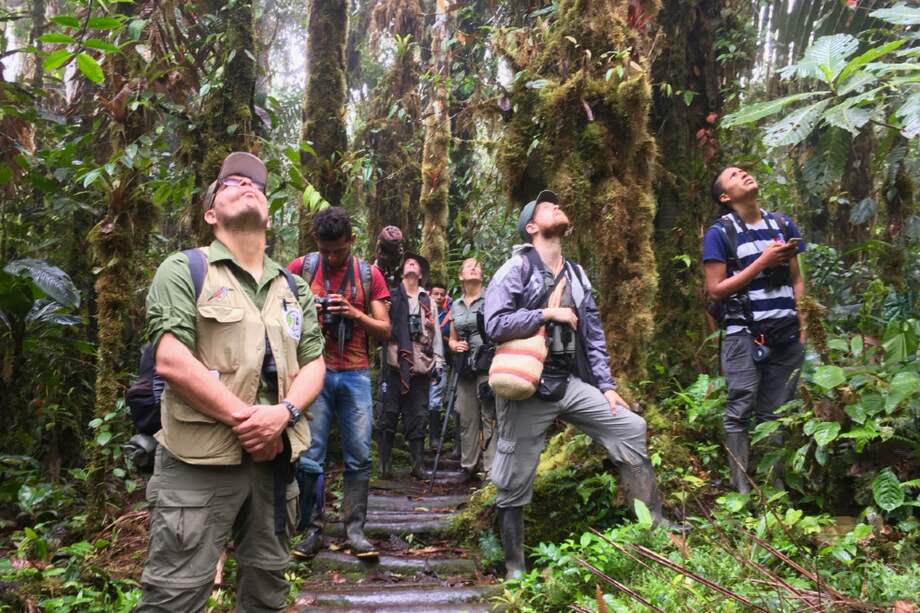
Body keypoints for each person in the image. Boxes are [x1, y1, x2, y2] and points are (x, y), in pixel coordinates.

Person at [138, 152, 326, 611]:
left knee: (268, 590)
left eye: (257, 185)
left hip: (274, 467)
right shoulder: (185, 269)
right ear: (210, 214)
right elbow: (172, 360)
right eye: (231, 183)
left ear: (268, 209)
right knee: (174, 596)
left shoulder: (294, 286)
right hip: (197, 463)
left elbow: (314, 364)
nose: (247, 186)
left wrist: (282, 416)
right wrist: (251, 423)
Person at [484, 189, 683, 580]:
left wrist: (607, 386)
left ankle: (655, 529)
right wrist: (547, 313)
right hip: (527, 387)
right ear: (531, 227)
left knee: (630, 427)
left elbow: (593, 335)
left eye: (557, 204)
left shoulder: (576, 273)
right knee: (513, 479)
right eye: (544, 206)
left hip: (568, 382)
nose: (556, 206)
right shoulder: (515, 269)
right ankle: (514, 568)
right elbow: (494, 324)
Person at [288, 207, 392, 558]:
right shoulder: (300, 269)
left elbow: (385, 330)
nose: (331, 257)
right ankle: (311, 530)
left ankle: (355, 531)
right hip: (313, 372)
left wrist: (354, 313)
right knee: (310, 454)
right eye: (325, 249)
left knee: (359, 454)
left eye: (338, 250)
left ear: (352, 240)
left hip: (355, 373)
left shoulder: (368, 274)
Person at [704, 167, 806, 494]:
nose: (744, 174)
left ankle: (772, 490)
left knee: (774, 414)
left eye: (744, 171)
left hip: (787, 335)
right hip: (743, 334)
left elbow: (797, 279)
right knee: (740, 410)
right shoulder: (720, 233)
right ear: (725, 196)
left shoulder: (782, 224)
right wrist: (762, 261)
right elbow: (716, 289)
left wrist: (803, 326)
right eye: (734, 176)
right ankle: (742, 492)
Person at [379, 253, 445, 479]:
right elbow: (381, 326)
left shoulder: (428, 301)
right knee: (388, 413)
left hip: (421, 364)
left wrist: (439, 361)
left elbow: (436, 333)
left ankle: (418, 465)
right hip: (394, 362)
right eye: (408, 262)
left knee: (418, 414)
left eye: (416, 263)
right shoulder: (391, 297)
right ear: (401, 270)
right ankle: (385, 465)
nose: (411, 264)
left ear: (421, 273)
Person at [447, 258, 496, 479]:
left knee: (488, 414)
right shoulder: (455, 305)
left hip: (487, 364)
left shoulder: (492, 298)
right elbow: (451, 336)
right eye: (468, 266)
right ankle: (468, 465)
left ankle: (491, 468)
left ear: (482, 275)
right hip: (464, 366)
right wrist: (454, 345)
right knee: (467, 417)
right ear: (461, 276)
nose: (474, 267)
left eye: (478, 265)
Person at [427, 280, 452, 449]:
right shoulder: (423, 310)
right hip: (422, 359)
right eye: (435, 294)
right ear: (429, 294)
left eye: (442, 294)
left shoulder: (449, 313)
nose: (439, 297)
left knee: (436, 398)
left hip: (442, 360)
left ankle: (435, 439)